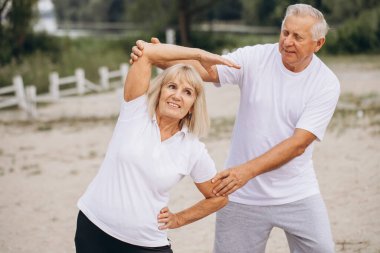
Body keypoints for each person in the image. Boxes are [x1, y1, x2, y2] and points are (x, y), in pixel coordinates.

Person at [130, 3, 340, 253]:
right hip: (241, 197)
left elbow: (298, 144)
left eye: (298, 37)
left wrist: (245, 172)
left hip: (297, 193)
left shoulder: (325, 83)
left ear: (318, 44)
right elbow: (208, 71)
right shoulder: (256, 57)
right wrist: (162, 56)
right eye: (285, 32)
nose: (287, 42)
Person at [75, 42, 240, 253]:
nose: (177, 95)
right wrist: (199, 54)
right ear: (160, 91)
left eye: (187, 92)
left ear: (192, 106)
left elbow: (218, 198)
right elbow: (146, 53)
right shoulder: (135, 113)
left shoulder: (193, 149)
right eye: (172, 86)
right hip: (94, 229)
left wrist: (179, 219)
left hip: (147, 243)